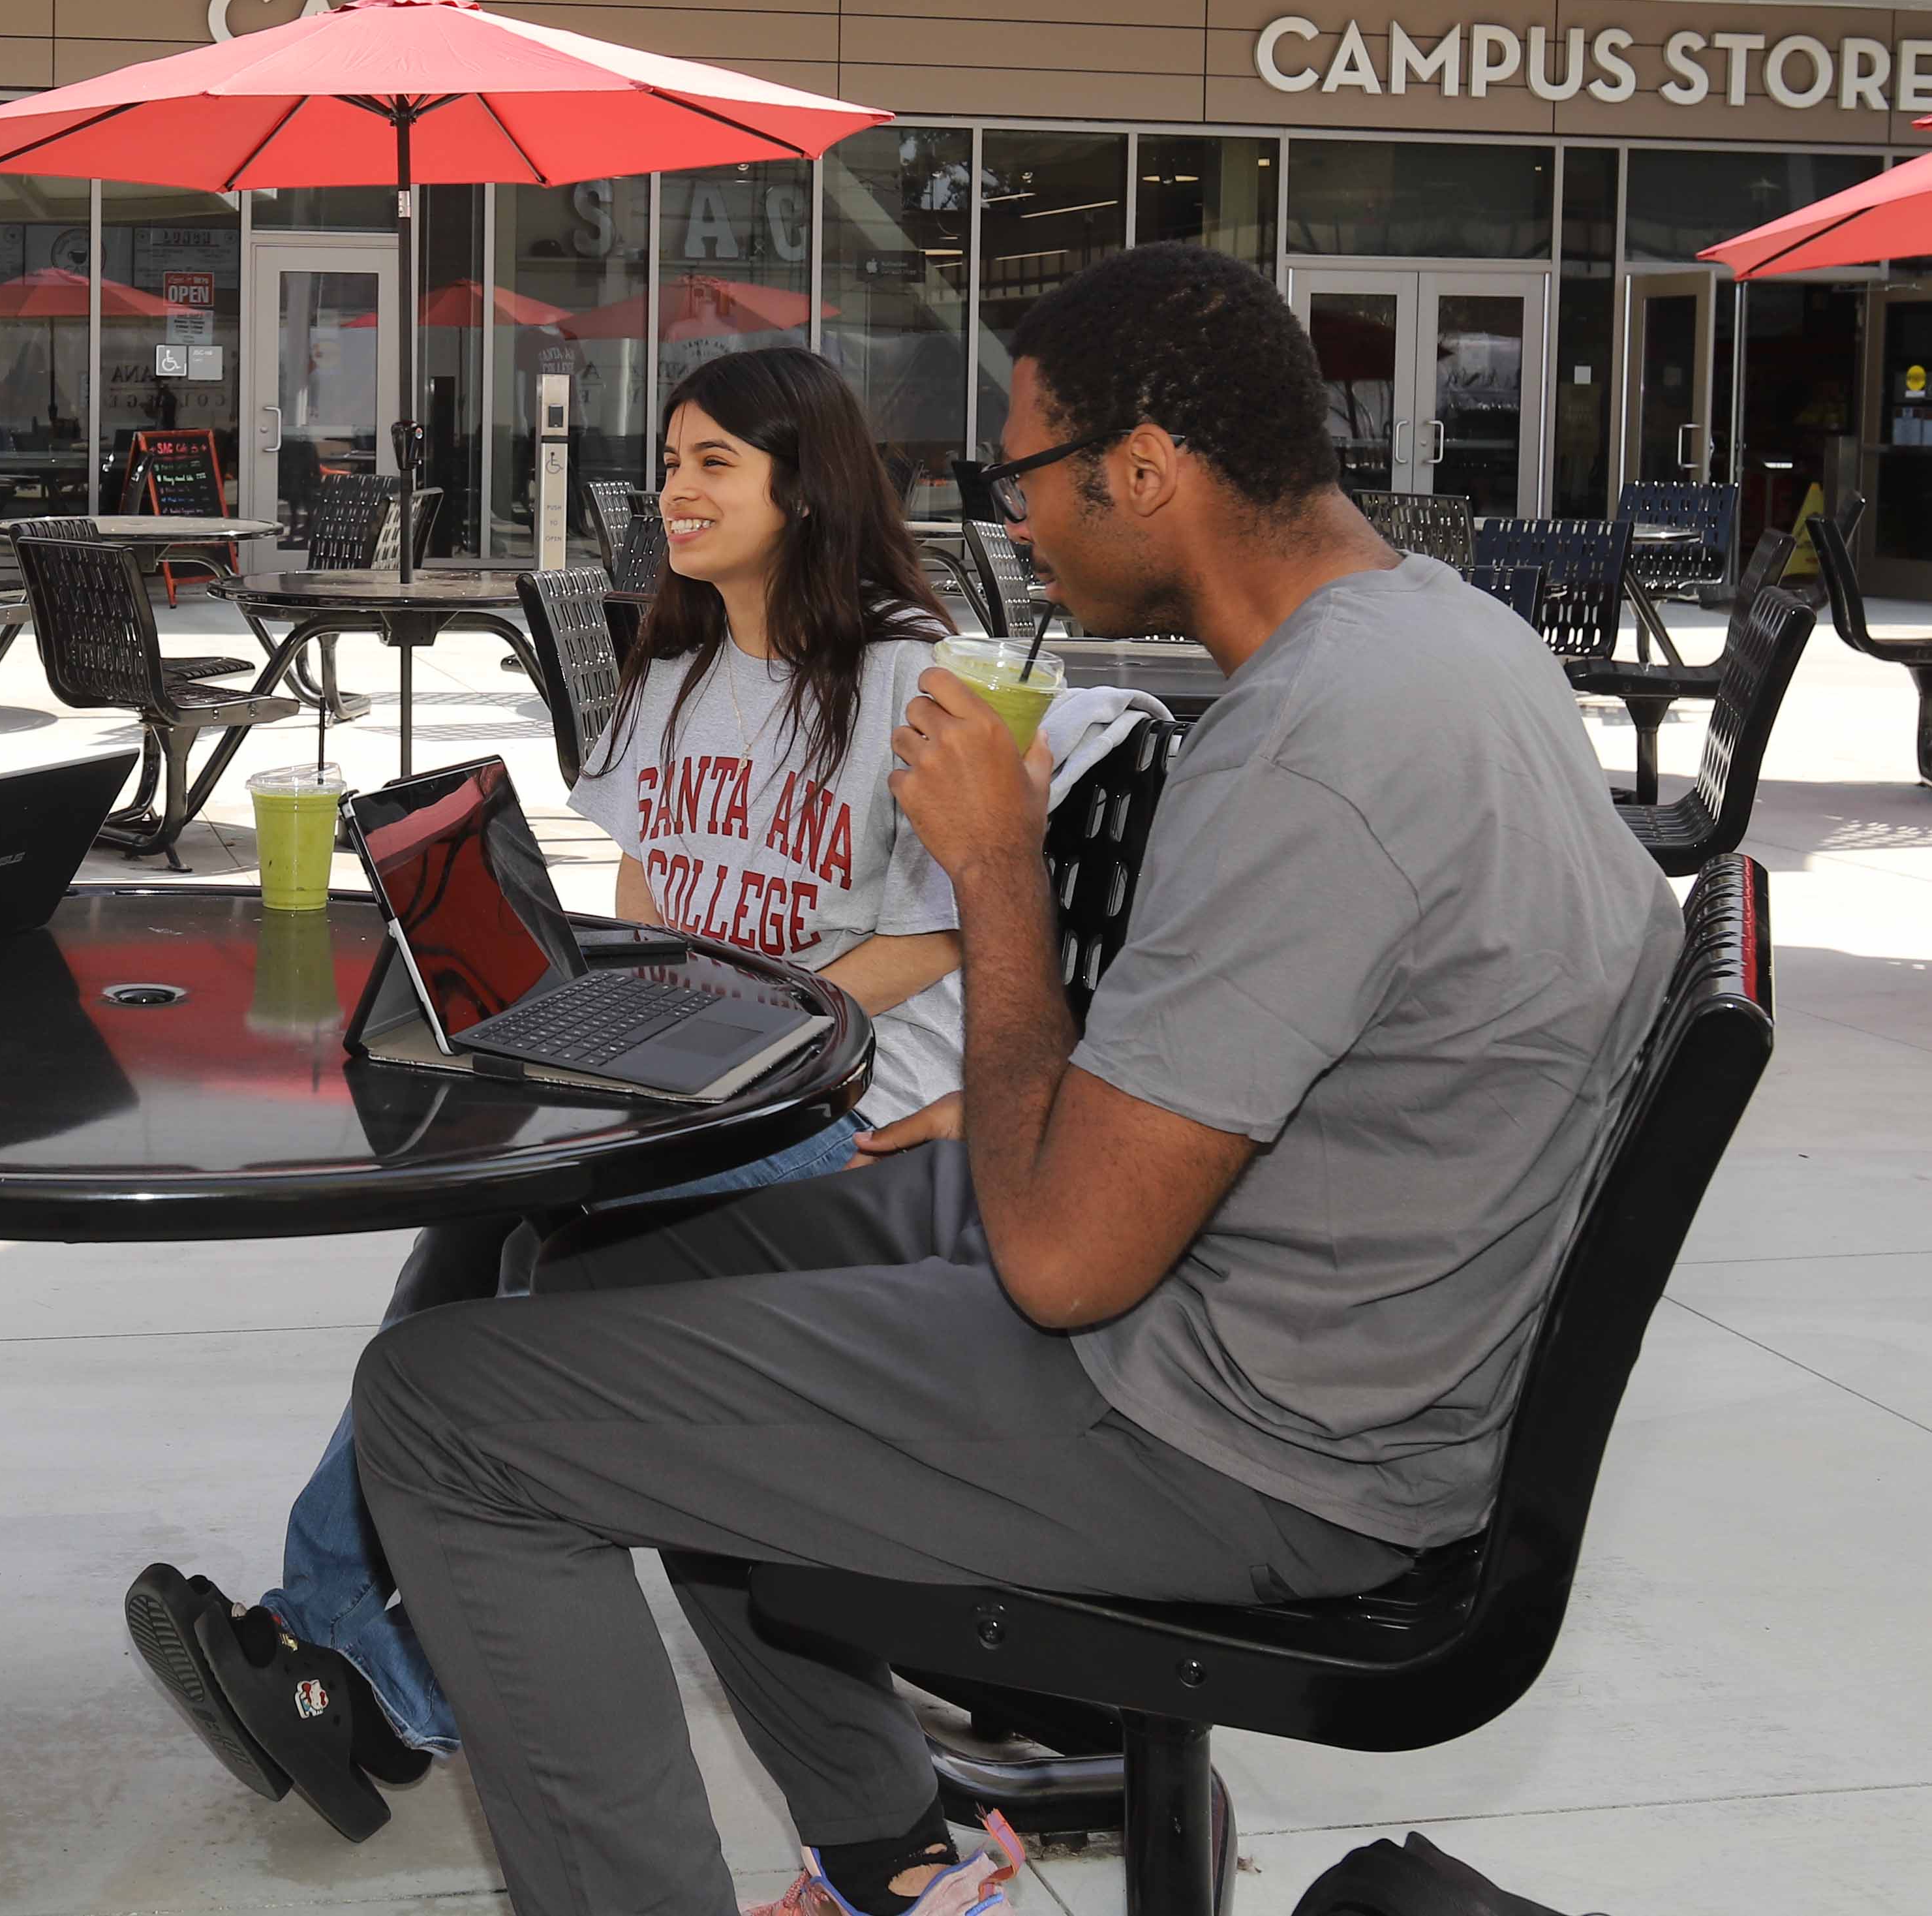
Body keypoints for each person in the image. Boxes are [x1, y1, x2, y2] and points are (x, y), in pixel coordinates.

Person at [348, 242, 1684, 1916]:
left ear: (1145, 470)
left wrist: (993, 869)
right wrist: (998, 1100)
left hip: (1240, 1425)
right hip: (1311, 1304)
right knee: (612, 1269)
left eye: (1028, 472)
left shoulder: (1314, 750)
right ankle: (897, 1855)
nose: (1015, 518)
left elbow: (1063, 1261)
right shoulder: (1439, 637)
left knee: (445, 1404)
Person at [127, 348, 972, 1842]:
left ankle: (354, 1664)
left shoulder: (914, 669)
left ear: (807, 483)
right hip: (683, 1071)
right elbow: (645, 899)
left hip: (841, 1105)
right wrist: (588, 1014)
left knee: (521, 1256)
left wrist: (751, 1024)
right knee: (470, 1226)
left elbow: (942, 931)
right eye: (673, 459)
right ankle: (345, 1657)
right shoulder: (681, 656)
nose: (676, 489)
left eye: (715, 462)